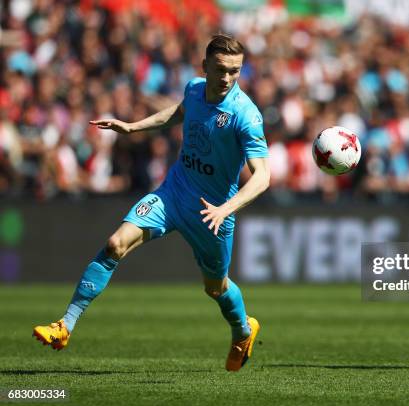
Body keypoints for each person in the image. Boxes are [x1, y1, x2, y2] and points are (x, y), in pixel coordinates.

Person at [33, 34, 270, 372]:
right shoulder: (193, 88)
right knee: (116, 244)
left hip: (212, 212)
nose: (228, 78)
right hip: (173, 192)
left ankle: (243, 331)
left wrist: (226, 209)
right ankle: (65, 325)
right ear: (205, 67)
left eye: (235, 71)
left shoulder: (245, 115)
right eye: (221, 69)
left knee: (215, 288)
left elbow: (263, 176)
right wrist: (132, 128)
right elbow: (178, 113)